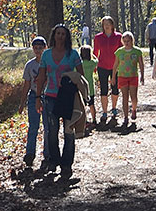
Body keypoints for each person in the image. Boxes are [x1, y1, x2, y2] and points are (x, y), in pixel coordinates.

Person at [34, 24, 84, 179]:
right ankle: (54, 160)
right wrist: (38, 97)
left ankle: (67, 164)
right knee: (51, 131)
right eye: (58, 33)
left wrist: (82, 97)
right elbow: (41, 77)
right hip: (50, 96)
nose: (60, 36)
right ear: (54, 35)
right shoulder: (47, 55)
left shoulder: (73, 54)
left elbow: (80, 77)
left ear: (66, 36)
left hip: (68, 97)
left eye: (63, 34)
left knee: (68, 131)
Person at [18, 36, 46, 168]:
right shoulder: (30, 65)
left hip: (47, 96)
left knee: (48, 127)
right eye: (36, 48)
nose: (38, 50)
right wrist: (22, 102)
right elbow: (26, 85)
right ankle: (30, 153)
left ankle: (48, 154)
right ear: (33, 49)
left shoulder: (49, 63)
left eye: (41, 47)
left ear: (45, 48)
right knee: (33, 126)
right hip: (34, 96)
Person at [93, 16, 123, 123]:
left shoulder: (118, 36)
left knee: (115, 88)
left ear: (112, 25)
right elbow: (95, 52)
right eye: (104, 24)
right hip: (102, 66)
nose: (106, 26)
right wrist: (94, 66)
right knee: (103, 90)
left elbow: (122, 51)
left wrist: (122, 64)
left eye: (108, 23)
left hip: (115, 67)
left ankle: (114, 108)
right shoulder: (98, 37)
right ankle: (104, 111)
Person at [112, 31, 144, 125]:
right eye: (124, 41)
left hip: (133, 76)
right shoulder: (119, 52)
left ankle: (134, 109)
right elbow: (115, 65)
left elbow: (141, 64)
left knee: (133, 96)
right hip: (122, 76)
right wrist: (113, 77)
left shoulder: (137, 52)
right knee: (124, 97)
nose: (126, 43)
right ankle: (125, 117)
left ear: (132, 41)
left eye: (128, 41)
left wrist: (142, 75)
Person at [79, 45, 98, 127]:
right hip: (90, 88)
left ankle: (85, 121)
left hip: (81, 88)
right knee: (91, 105)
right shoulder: (92, 63)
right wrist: (93, 55)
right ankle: (94, 119)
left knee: (82, 105)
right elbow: (97, 60)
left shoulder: (79, 64)